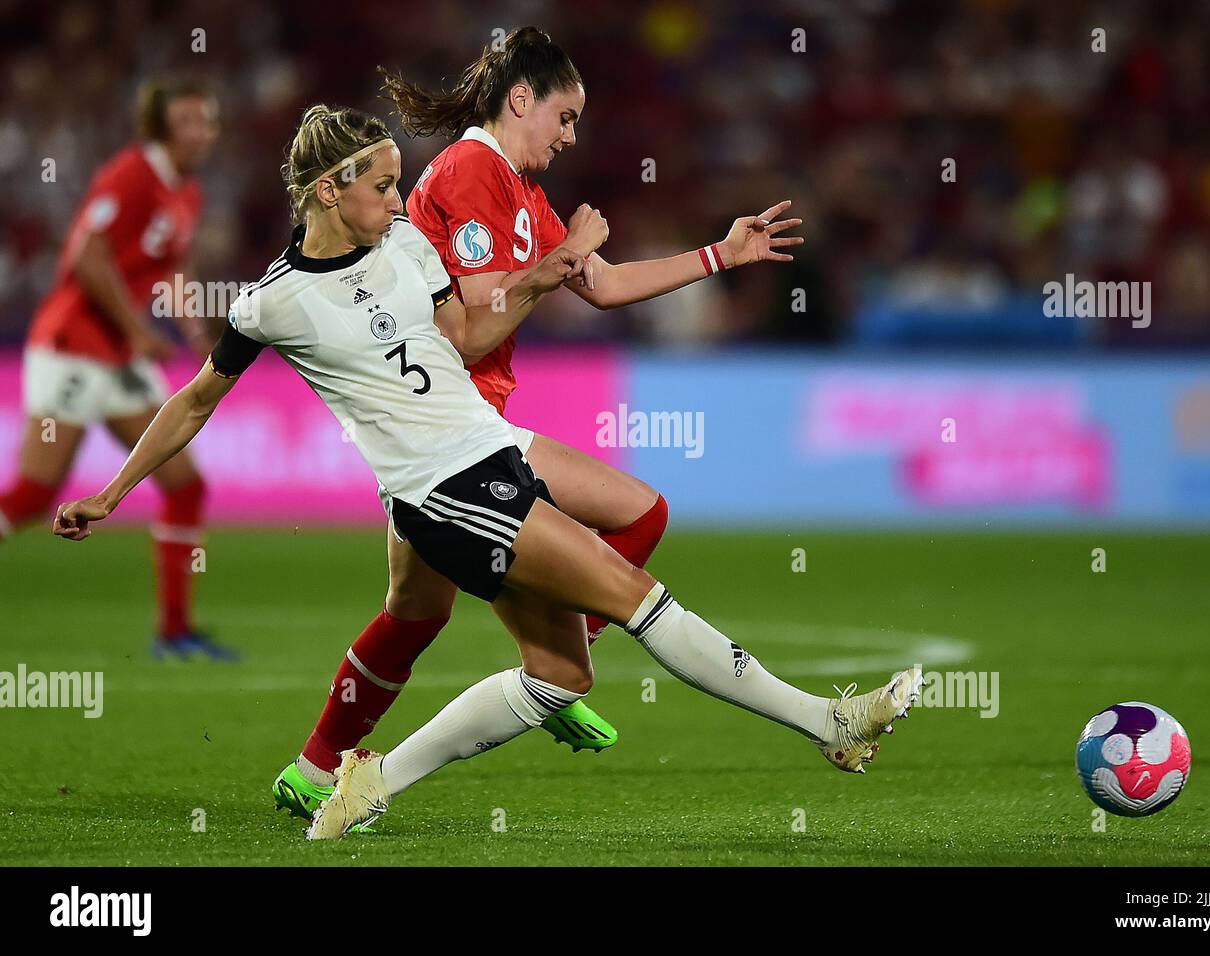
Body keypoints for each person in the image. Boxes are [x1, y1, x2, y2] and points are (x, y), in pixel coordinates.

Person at [52, 104, 925, 842]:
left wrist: (542, 275)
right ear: (328, 191)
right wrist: (113, 491)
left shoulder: (403, 242)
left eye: (399, 180)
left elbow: (467, 338)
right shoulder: (273, 300)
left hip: (489, 454)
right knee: (631, 592)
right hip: (442, 491)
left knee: (562, 676)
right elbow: (198, 402)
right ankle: (828, 723)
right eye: (383, 184)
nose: (399, 200)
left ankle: (367, 782)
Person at [273, 26, 806, 813]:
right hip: (448, 428)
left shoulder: (519, 189)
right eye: (563, 115)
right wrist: (556, 266)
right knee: (633, 514)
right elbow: (478, 315)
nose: (569, 135)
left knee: (416, 611)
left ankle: (319, 767)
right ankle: (550, 672)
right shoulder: (471, 170)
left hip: (466, 423)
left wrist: (721, 255)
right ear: (521, 98)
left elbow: (607, 283)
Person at [1, 77, 233, 660]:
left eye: (205, 120)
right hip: (74, 343)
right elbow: (87, 255)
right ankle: (175, 631)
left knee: (185, 484)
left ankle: (175, 631)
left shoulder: (186, 190)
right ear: (160, 128)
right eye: (187, 121)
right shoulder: (132, 174)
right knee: (33, 495)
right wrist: (135, 328)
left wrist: (194, 326)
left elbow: (171, 263)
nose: (201, 132)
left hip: (120, 357)